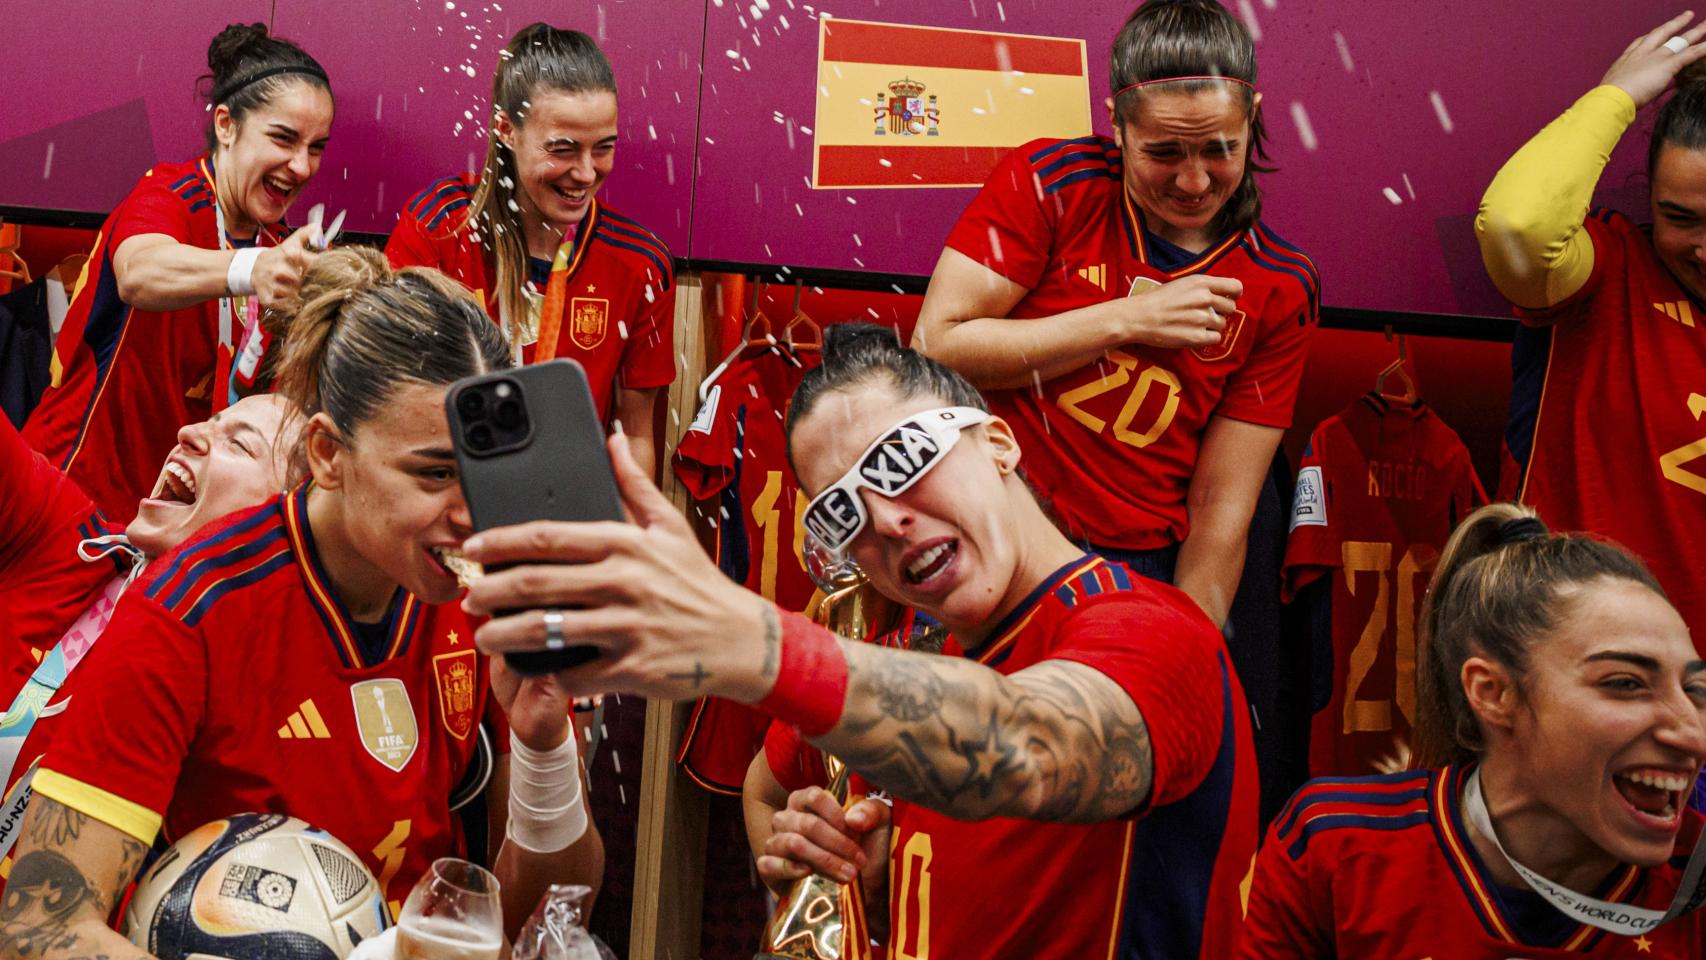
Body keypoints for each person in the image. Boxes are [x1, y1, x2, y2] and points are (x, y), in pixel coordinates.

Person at [463, 324, 1260, 959]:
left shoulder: (1151, 631)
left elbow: (1028, 744)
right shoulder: (924, 664)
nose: (884, 520)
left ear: (998, 443)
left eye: (904, 458)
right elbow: (770, 790)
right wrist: (861, 891)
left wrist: (754, 644)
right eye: (841, 514)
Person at [0, 250, 600, 959]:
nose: (473, 512)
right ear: (326, 454)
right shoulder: (189, 612)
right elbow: (35, 930)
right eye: (435, 472)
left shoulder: (482, 602)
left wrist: (543, 746)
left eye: (486, 473)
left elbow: (548, 916)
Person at [911, 0, 1317, 626]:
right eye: (1163, 153)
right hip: (990, 523)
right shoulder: (1052, 184)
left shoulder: (1280, 283)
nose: (1192, 181)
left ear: (1252, 118)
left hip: (1134, 568)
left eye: (1218, 149)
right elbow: (937, 348)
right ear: (1118, 126)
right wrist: (1124, 321)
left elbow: (1219, 510)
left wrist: (1189, 652)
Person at [1239, 503, 1706, 956]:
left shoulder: (1691, 885)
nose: (1693, 737)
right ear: (1493, 693)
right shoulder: (1334, 850)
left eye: (1696, 690)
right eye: (1625, 684)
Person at [24, 22, 331, 526]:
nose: (300, 166)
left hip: (172, 520)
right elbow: (140, 274)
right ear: (227, 125)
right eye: (283, 138)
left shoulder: (277, 246)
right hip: (71, 500)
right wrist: (252, 270)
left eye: (316, 147)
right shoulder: (170, 193)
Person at [1477, 12, 1706, 648]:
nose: (1704, 252)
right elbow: (1518, 229)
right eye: (1679, 217)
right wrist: (1617, 96)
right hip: (1571, 665)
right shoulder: (1605, 273)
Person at [0, 395, 300, 860]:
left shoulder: (273, 713)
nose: (189, 433)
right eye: (208, 421)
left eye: (239, 445)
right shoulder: (66, 546)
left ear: (288, 525)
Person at [385, 22, 674, 480]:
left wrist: (632, 543)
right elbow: (389, 396)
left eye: (603, 149)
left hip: (566, 514)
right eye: (563, 149)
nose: (584, 173)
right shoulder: (439, 226)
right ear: (506, 128)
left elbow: (635, 435)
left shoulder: (639, 262)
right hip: (449, 498)